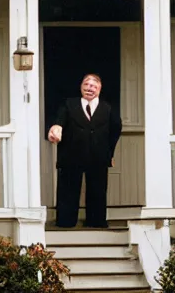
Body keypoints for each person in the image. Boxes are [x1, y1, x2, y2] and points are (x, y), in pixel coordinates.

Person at [47, 74, 122, 228]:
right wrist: (56, 127)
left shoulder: (107, 108)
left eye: (94, 86)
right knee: (68, 189)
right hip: (71, 154)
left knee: (98, 190)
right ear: (81, 87)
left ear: (99, 89)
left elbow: (115, 130)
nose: (89, 88)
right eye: (86, 84)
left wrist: (110, 153)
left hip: (98, 156)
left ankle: (96, 222)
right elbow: (59, 120)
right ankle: (65, 222)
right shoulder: (69, 104)